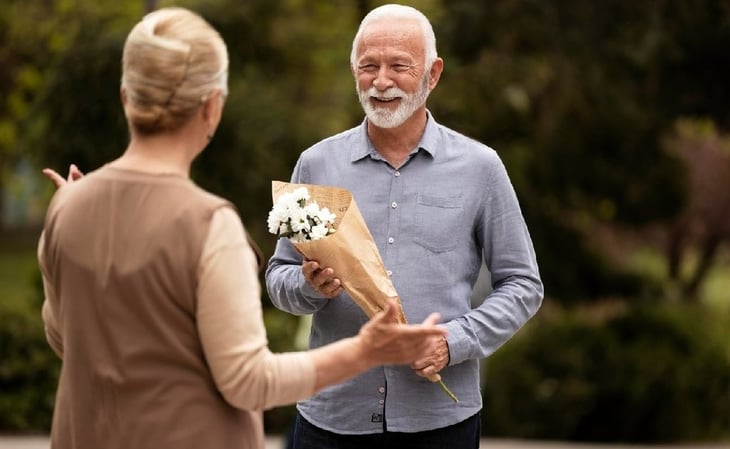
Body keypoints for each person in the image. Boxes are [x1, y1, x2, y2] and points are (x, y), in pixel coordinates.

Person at [37, 7, 448, 449]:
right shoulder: (211, 225)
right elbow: (250, 382)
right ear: (212, 106)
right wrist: (367, 351)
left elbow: (65, 339)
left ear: (125, 97)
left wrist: (76, 211)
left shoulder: (67, 207)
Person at [265, 4, 544, 449]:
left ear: (433, 74)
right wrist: (308, 285)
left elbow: (523, 285)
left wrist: (454, 341)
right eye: (368, 66)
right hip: (332, 417)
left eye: (399, 66)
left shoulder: (480, 167)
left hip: (440, 422)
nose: (381, 81)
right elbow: (278, 280)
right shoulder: (316, 163)